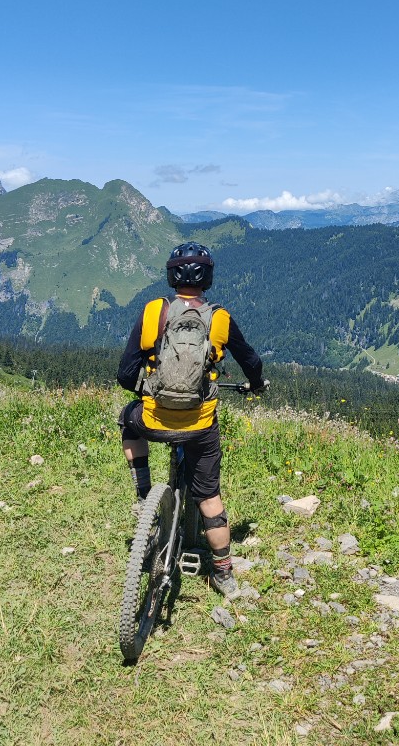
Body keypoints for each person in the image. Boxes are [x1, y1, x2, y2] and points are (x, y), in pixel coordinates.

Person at [117, 241, 265, 599]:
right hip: (199, 426)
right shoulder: (220, 318)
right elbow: (251, 362)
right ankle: (223, 574)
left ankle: (144, 494)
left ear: (172, 276)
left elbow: (125, 374)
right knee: (209, 495)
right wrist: (256, 384)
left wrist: (147, 388)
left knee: (127, 418)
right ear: (207, 278)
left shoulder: (154, 311)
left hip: (153, 419)